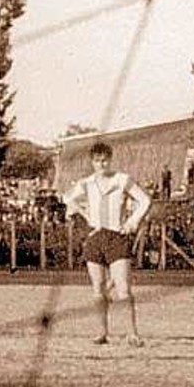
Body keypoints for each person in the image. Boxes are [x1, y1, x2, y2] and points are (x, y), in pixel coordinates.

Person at [63, 142, 152, 345]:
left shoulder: (122, 180)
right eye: (97, 161)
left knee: (123, 288)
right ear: (92, 162)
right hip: (95, 237)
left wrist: (132, 221)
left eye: (105, 160)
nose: (102, 164)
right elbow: (67, 198)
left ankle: (132, 334)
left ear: (110, 160)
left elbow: (145, 200)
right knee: (98, 288)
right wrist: (85, 214)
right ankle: (102, 332)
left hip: (116, 237)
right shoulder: (87, 183)